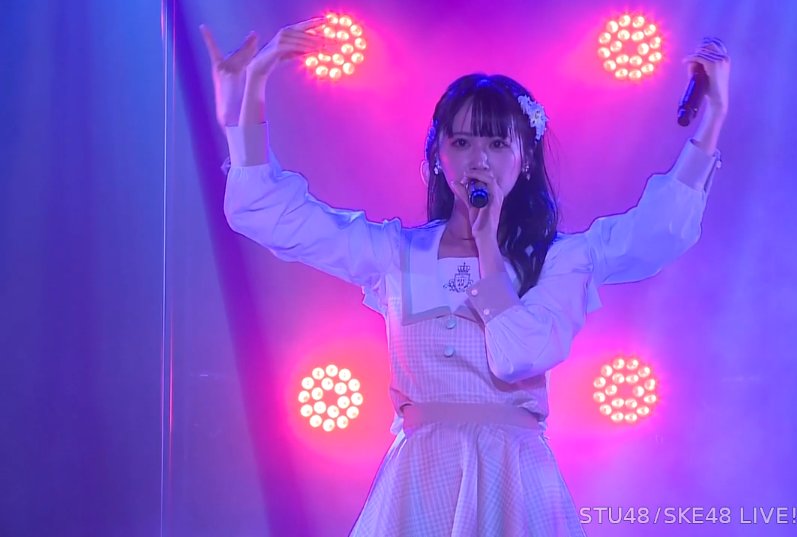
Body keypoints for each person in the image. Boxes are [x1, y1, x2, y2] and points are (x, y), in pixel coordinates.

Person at [201, 17, 730, 537]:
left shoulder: (558, 260)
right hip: (419, 483)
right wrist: (246, 99)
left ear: (525, 159)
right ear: (439, 156)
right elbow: (276, 217)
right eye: (461, 143)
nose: (478, 159)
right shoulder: (398, 253)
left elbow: (530, 345)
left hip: (514, 483)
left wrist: (713, 119)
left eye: (497, 144)